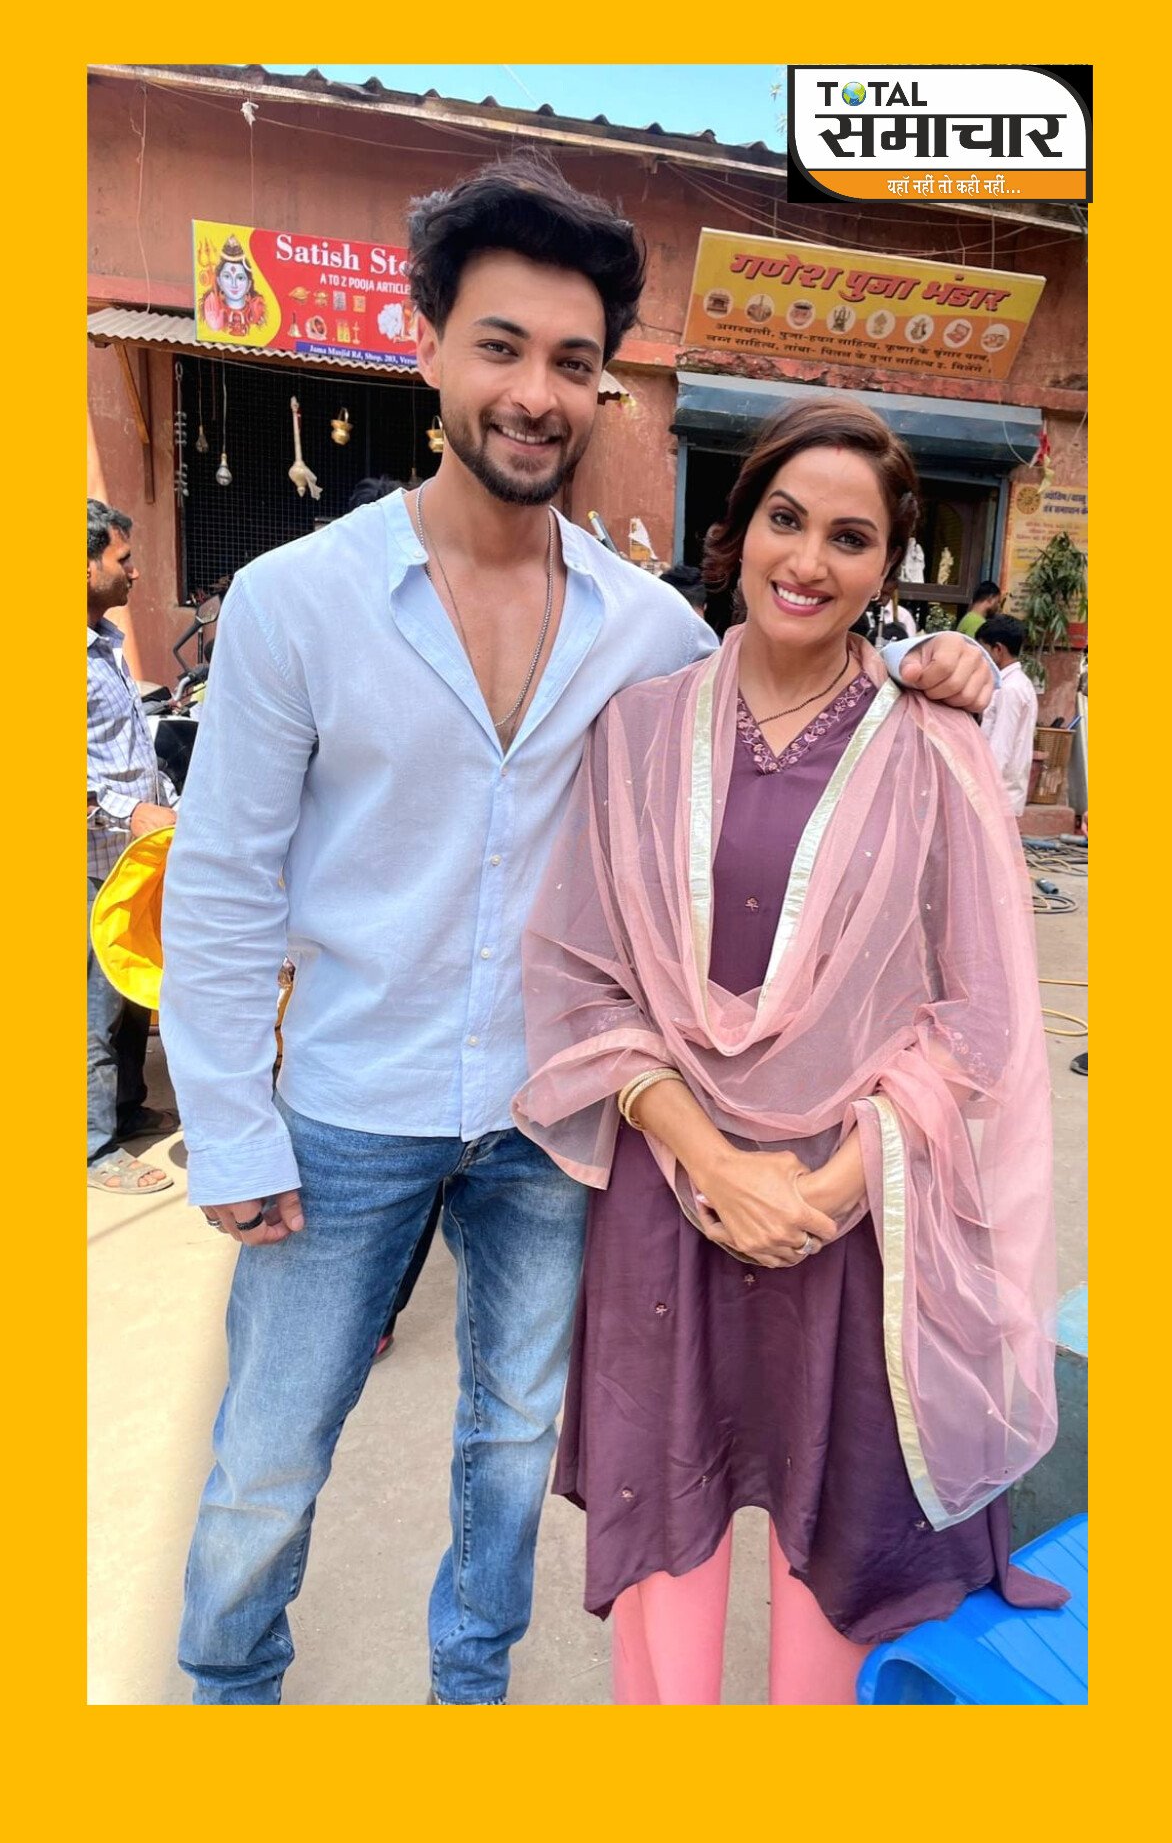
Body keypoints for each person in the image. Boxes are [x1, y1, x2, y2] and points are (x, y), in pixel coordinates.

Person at [159, 153, 996, 1708]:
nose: (535, 393)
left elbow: (785, 677)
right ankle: (224, 1703)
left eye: (572, 361)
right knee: (268, 1457)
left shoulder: (647, 630)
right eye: (501, 347)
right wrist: (228, 1127)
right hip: (346, 1106)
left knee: (511, 1449)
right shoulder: (294, 603)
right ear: (428, 347)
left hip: (561, 1127)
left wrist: (936, 668)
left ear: (605, 385)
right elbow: (220, 888)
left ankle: (469, 1700)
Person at [513, 398, 1063, 1706]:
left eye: (850, 538)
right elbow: (584, 976)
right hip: (673, 1188)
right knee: (670, 1508)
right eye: (786, 518)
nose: (808, 560)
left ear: (888, 567)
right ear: (741, 527)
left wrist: (820, 1192)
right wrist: (715, 1164)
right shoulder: (640, 728)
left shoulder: (932, 747)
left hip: (859, 1199)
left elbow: (978, 1014)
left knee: (842, 1516)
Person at [87, 502, 179, 1194]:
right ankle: (92, 1147)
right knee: (92, 1002)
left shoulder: (105, 645)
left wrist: (168, 800)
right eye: (123, 560)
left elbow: (128, 750)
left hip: (132, 856)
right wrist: (129, 809)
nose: (135, 573)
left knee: (131, 983)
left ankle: (125, 1106)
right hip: (91, 859)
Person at [977, 614, 1039, 815]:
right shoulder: (1018, 683)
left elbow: (1001, 745)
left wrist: (982, 787)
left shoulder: (1010, 688)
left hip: (998, 793)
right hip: (1003, 790)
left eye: (983, 651)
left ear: (998, 649)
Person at [199, 235, 267, 338]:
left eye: (240, 278)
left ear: (248, 284)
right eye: (227, 276)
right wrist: (214, 325)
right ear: (219, 281)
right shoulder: (213, 307)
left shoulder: (256, 309)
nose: (234, 284)